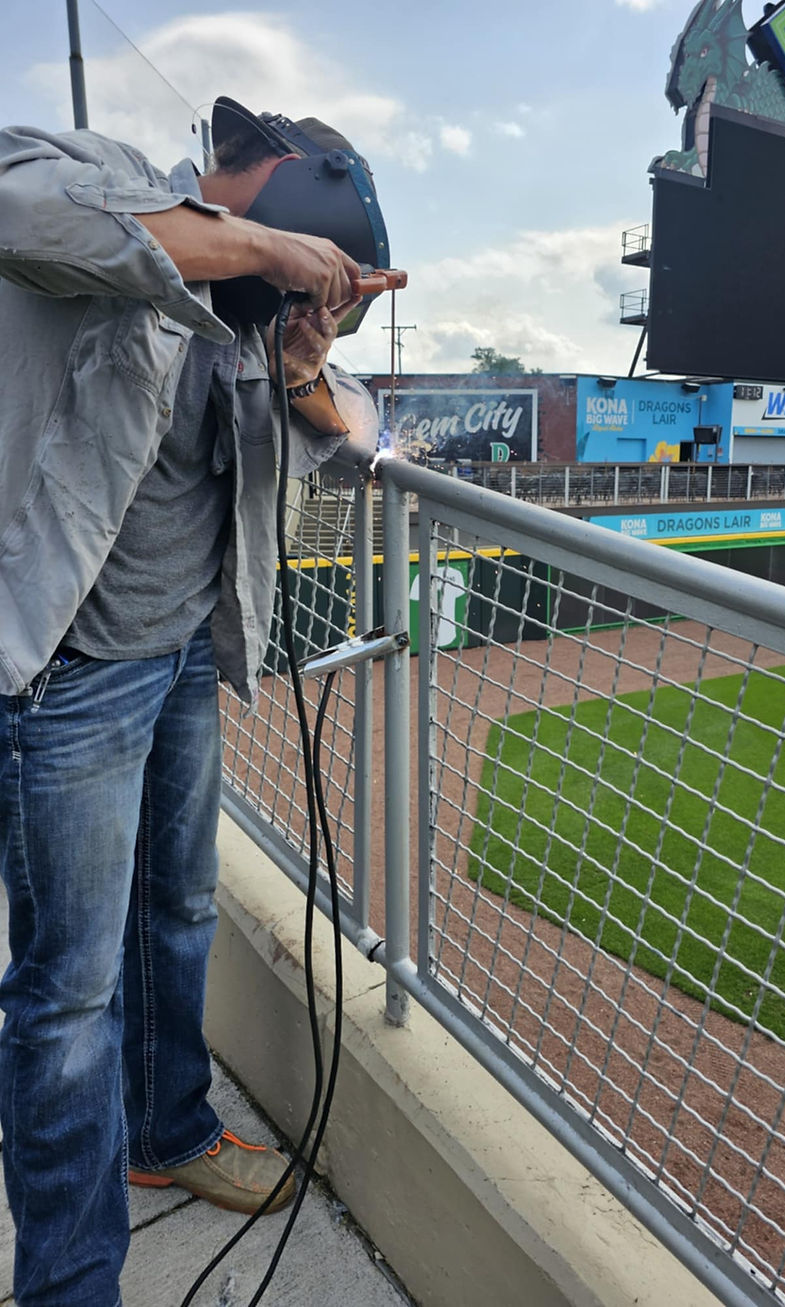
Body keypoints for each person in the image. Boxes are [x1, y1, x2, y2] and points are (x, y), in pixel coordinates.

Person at [0, 102, 380, 1307]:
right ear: (267, 169)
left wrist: (310, 362)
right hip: (67, 678)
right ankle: (71, 1282)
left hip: (179, 663)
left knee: (180, 914)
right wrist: (264, 249)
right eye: (298, 237)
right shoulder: (98, 175)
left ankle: (168, 1131)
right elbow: (22, 211)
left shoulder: (259, 317)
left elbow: (357, 434)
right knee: (67, 995)